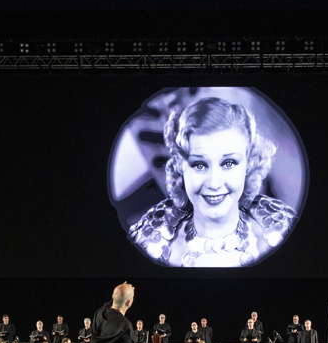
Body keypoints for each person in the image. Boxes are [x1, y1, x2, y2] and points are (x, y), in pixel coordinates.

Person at [127, 97, 297, 266]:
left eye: (228, 163)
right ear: (180, 167)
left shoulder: (282, 230)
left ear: (249, 164)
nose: (214, 183)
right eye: (199, 165)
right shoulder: (149, 242)